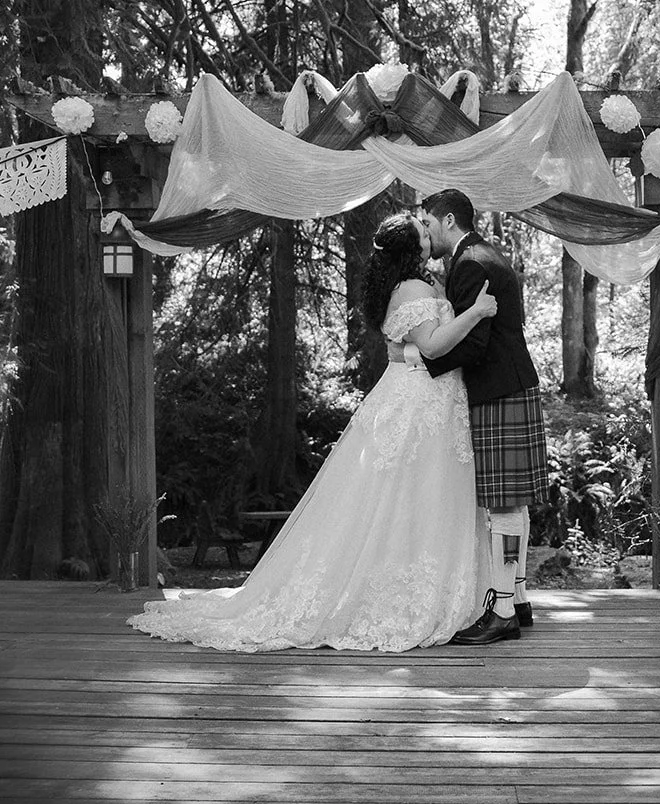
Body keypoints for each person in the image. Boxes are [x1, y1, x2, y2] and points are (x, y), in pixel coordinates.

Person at [129, 212, 496, 651]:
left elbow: (410, 346)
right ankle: (403, 596)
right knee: (409, 497)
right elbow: (433, 346)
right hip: (420, 404)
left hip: (426, 397)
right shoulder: (413, 290)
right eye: (421, 233)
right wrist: (475, 312)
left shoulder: (410, 287)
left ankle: (426, 587)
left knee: (410, 498)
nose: (427, 235)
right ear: (410, 249)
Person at [416, 189, 549, 646]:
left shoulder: (470, 263)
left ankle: (503, 612)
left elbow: (474, 343)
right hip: (512, 386)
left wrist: (425, 365)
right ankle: (519, 597)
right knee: (515, 503)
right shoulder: (482, 253)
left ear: (448, 220)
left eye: (428, 223)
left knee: (505, 504)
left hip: (499, 390)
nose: (426, 232)